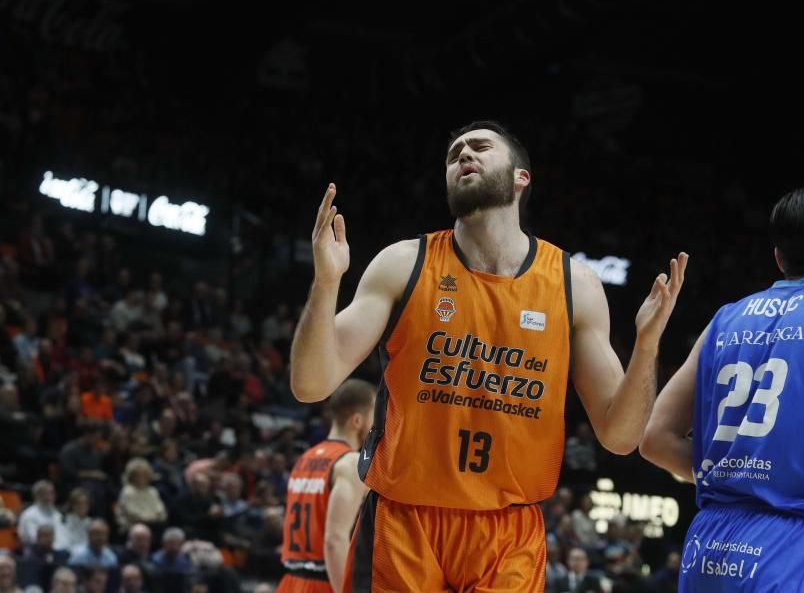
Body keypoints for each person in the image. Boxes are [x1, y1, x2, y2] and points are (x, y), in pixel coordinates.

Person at [290, 120, 688, 592]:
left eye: (480, 148)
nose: (464, 156)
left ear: (521, 178)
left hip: (507, 531)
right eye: (454, 153)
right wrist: (327, 282)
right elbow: (310, 384)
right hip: (405, 521)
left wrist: (646, 346)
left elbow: (620, 436)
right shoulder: (403, 263)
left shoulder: (573, 283)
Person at [639, 187, 804, 592]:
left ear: (778, 257)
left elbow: (655, 439)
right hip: (790, 542)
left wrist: (734, 478)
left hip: (708, 543)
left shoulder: (724, 320)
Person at [276, 378, 375, 593]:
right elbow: (334, 540)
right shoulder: (349, 463)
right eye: (374, 415)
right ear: (357, 420)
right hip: (326, 581)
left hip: (290, 581)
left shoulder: (304, 459)